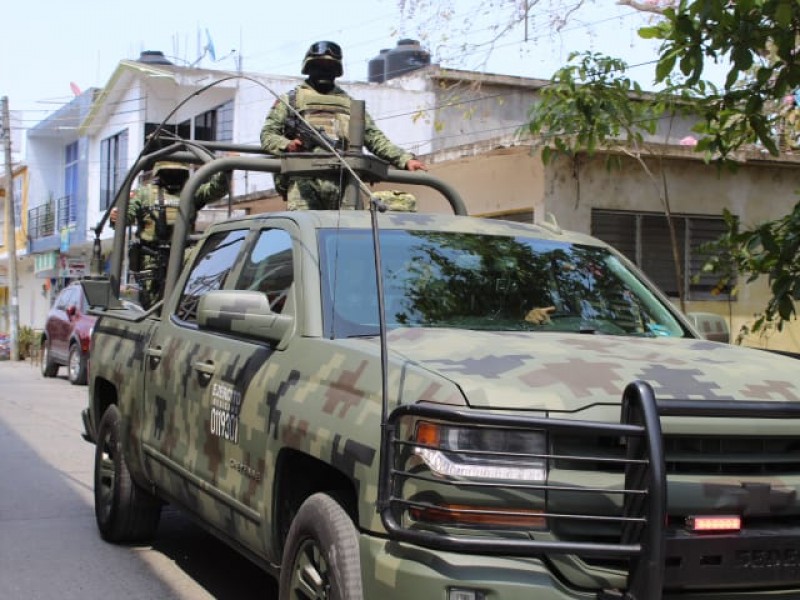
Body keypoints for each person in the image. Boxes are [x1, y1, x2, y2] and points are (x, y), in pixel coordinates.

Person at [261, 40, 427, 210]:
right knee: (307, 230)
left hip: (345, 181)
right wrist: (287, 145)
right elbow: (267, 135)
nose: (325, 71)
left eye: (330, 67)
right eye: (320, 66)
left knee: (355, 233)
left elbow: (374, 138)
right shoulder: (290, 101)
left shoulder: (349, 104)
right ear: (309, 68)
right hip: (304, 182)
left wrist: (404, 159)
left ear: (337, 71)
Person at [110, 162, 229, 308]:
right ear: (160, 174)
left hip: (182, 254)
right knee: (152, 301)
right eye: (169, 173)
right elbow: (126, 217)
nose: (174, 176)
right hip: (151, 256)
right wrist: (117, 216)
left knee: (187, 295)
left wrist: (225, 172)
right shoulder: (144, 193)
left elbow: (215, 190)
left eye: (178, 173)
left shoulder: (191, 191)